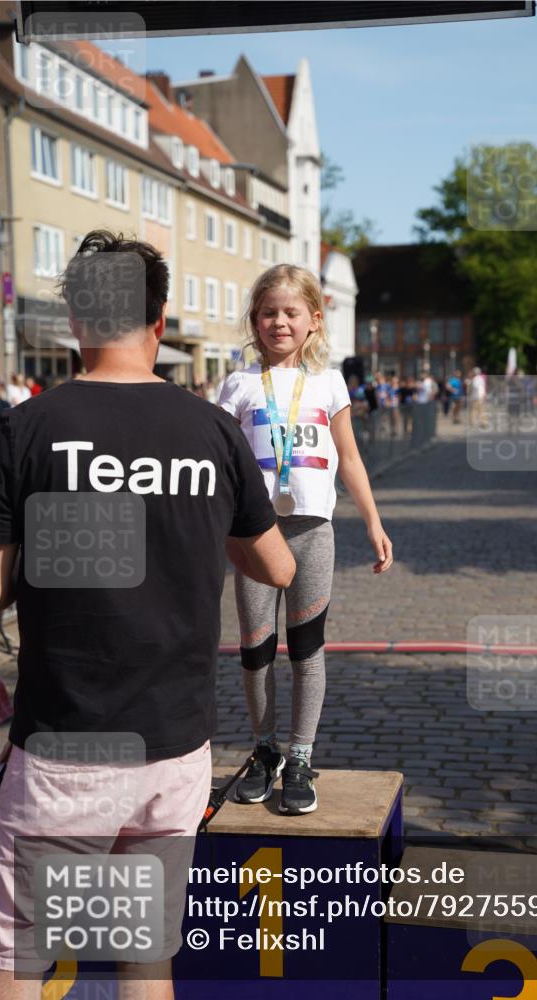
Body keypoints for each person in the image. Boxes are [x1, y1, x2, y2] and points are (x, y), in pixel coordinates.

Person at [0, 230, 295, 1000]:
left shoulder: (26, 430)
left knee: (20, 955)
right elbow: (278, 568)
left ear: (77, 321)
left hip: (65, 744)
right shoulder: (211, 430)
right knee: (143, 957)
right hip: (172, 747)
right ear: (159, 321)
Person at [218, 264, 393, 816]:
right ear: (255, 320)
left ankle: (300, 756)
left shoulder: (329, 382)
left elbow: (350, 457)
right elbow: (220, 464)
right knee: (255, 651)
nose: (279, 322)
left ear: (314, 320)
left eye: (291, 312)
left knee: (307, 648)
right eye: (268, 312)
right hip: (255, 535)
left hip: (313, 530)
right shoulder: (239, 384)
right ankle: (265, 748)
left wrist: (373, 521)